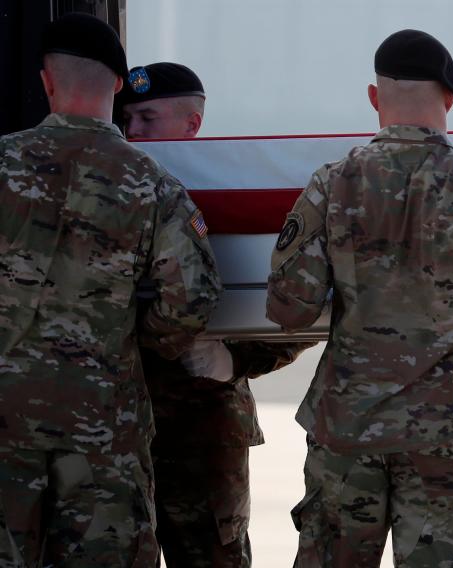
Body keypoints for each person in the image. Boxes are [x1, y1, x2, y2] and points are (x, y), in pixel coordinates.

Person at [266, 30, 453, 567]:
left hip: (347, 430)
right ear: (450, 99)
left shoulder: (329, 186)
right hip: (446, 438)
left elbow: (290, 306)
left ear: (375, 98)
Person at [0, 14, 221, 566]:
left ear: (47, 82)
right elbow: (190, 299)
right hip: (102, 422)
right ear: (118, 85)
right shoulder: (153, 182)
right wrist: (132, 341)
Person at [118, 62, 313, 568]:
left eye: (146, 118)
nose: (132, 132)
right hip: (120, 420)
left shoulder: (234, 185)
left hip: (203, 424)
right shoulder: (109, 189)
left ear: (191, 124)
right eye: (126, 120)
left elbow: (298, 305)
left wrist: (236, 360)